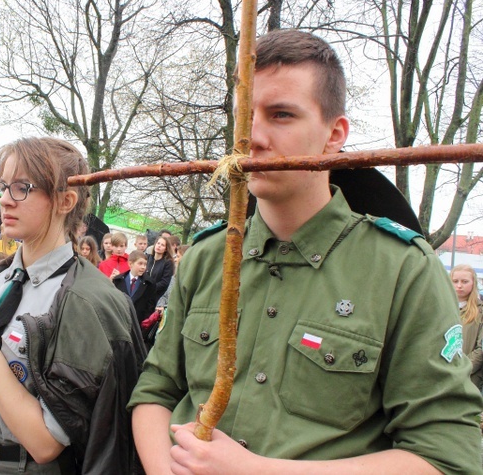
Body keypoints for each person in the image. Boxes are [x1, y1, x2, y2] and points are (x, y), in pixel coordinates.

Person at [128, 29, 483, 474]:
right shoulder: (206, 256)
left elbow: (447, 454)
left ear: (334, 134)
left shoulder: (402, 269)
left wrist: (255, 471)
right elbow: (156, 388)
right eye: (242, 116)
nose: (250, 139)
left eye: (280, 115)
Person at [0, 136, 145, 474]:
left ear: (65, 200)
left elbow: (46, 442)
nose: (4, 200)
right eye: (3, 186)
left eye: (22, 187)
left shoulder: (87, 302)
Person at [450, 264, 483, 389]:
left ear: (473, 283)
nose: (459, 285)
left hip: (469, 377)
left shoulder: (480, 312)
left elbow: (481, 349)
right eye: (455, 281)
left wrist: (462, 369)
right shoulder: (440, 308)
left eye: (464, 281)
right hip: (441, 375)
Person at [113, 250, 155, 330]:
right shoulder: (118, 281)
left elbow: (150, 306)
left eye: (145, 264)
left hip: (138, 325)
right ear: (130, 264)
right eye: (140, 263)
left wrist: (144, 324)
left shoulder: (149, 283)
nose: (143, 267)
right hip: (120, 323)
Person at [145, 235, 174, 306]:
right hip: (143, 293)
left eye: (162, 245)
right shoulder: (147, 258)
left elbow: (164, 282)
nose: (159, 246)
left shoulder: (168, 263)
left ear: (166, 249)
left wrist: (151, 288)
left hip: (155, 297)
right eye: (158, 243)